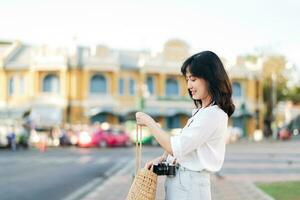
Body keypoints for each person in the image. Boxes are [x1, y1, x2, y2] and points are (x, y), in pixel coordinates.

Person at [135, 51, 235, 200]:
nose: (189, 85)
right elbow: (187, 145)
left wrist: (150, 122)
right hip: (184, 183)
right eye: (187, 79)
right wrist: (163, 159)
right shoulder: (203, 112)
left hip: (189, 186)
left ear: (210, 79)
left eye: (193, 79)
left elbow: (176, 147)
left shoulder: (213, 114)